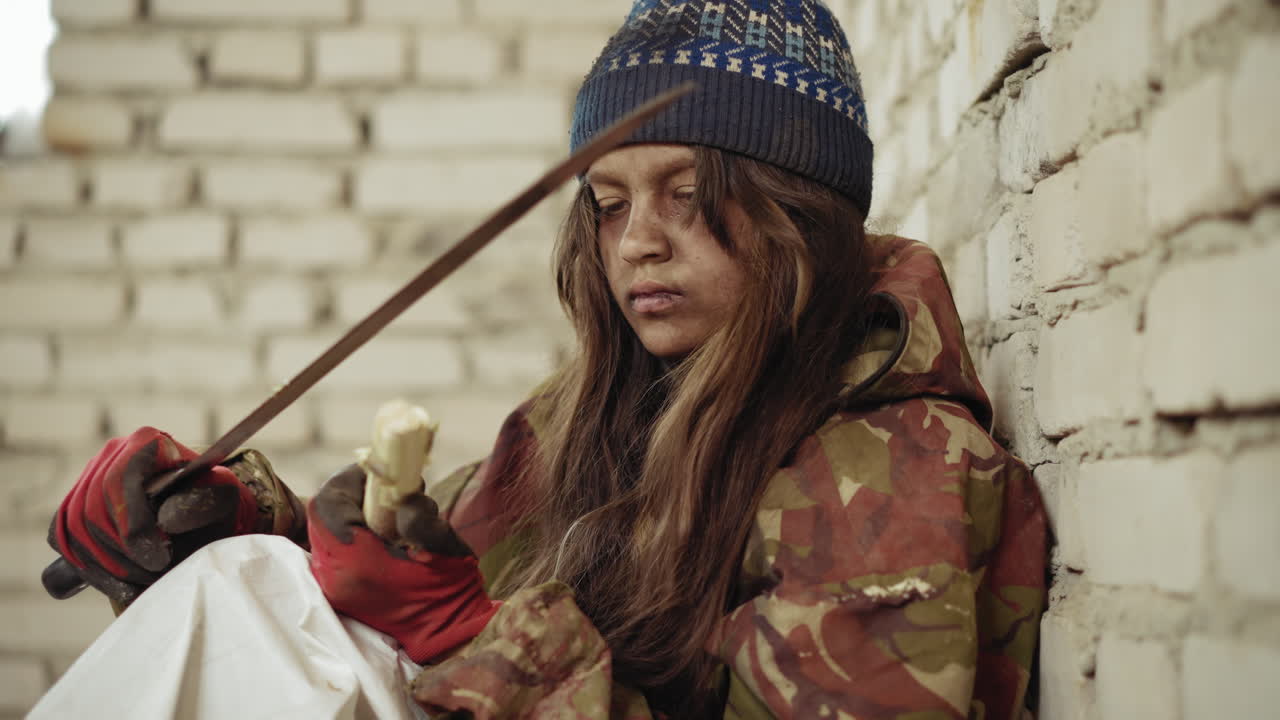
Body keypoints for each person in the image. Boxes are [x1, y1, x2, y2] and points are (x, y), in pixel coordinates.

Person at [33, 1, 1047, 718]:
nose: (636, 242)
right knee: (243, 580)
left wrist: (464, 632)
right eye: (607, 205)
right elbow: (415, 591)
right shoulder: (595, 420)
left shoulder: (891, 462)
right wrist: (229, 519)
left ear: (795, 210)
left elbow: (456, 628)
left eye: (687, 195)